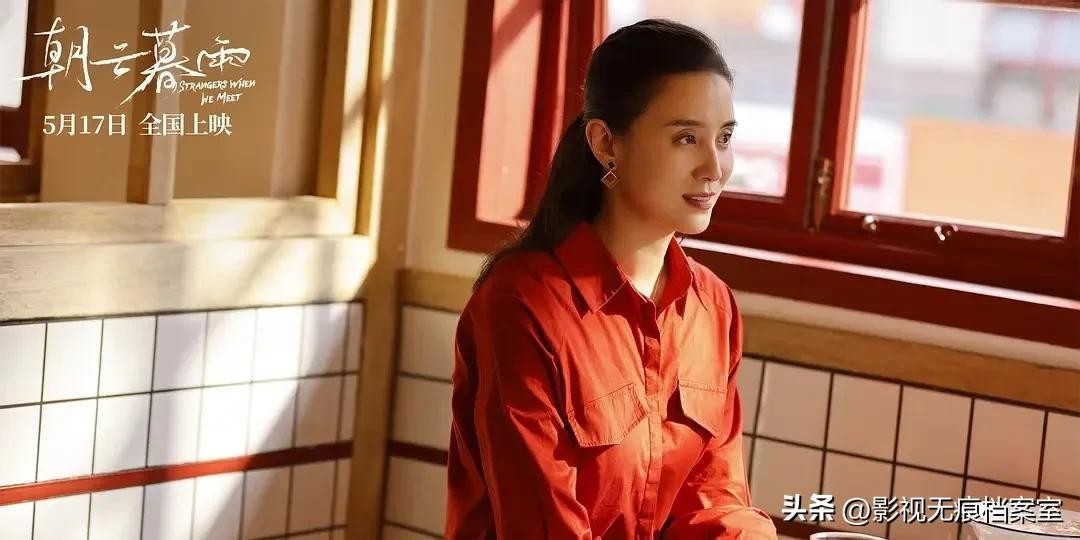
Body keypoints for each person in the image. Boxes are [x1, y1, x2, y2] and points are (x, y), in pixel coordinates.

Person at [446, 18, 778, 540]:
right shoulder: (523, 304)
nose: (714, 167)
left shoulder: (712, 307)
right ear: (606, 142)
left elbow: (716, 501)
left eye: (725, 138)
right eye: (686, 138)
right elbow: (541, 526)